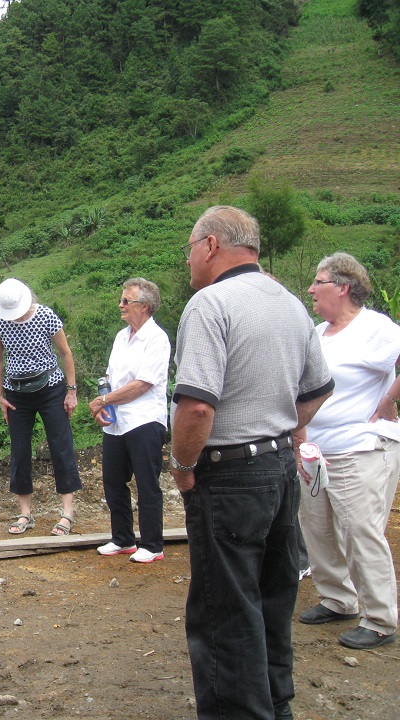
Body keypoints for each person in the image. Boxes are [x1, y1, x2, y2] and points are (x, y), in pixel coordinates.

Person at [169, 206, 333, 720]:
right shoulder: (289, 303)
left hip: (230, 475)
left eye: (191, 248)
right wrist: (285, 425)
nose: (189, 259)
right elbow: (318, 388)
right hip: (280, 472)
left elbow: (197, 405)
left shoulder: (209, 305)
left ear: (212, 245)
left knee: (226, 610)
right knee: (272, 597)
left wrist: (182, 465)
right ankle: (276, 704)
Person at [297, 252, 400, 650]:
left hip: (361, 446)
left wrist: (390, 400)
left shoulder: (375, 327)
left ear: (342, 287)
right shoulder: (318, 333)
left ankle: (379, 619)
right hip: (316, 451)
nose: (310, 289)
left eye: (318, 281)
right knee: (318, 528)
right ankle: (338, 598)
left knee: (361, 530)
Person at [0, 278, 82, 536]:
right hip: (16, 394)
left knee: (60, 446)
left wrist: (71, 391)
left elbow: (66, 353)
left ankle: (67, 512)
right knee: (20, 450)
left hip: (51, 388)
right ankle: (25, 512)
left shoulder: (46, 316)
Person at [90, 278, 170, 563]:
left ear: (145, 306)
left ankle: (152, 544)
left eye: (127, 300)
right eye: (122, 299)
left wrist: (104, 401)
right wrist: (104, 405)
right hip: (117, 421)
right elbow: (111, 380)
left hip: (145, 419)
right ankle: (123, 538)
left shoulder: (157, 339)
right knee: (113, 480)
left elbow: (142, 384)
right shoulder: (121, 337)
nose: (121, 305)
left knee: (147, 483)